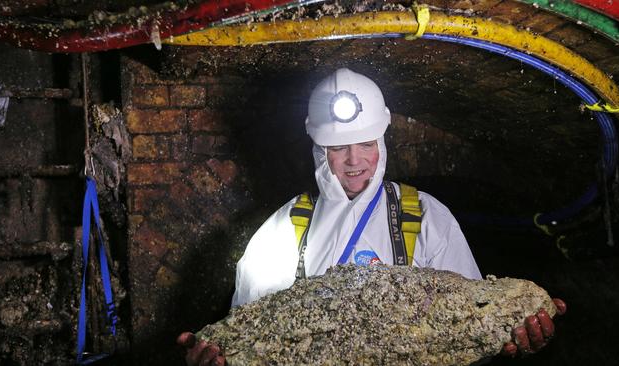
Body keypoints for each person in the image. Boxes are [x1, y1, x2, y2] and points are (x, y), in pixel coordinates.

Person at [177, 68, 566, 366]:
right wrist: (218, 357)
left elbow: (472, 330)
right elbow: (246, 339)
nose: (354, 161)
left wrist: (513, 337)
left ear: (381, 140)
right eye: (338, 147)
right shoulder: (283, 231)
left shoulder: (425, 216)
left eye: (366, 144)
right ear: (318, 150)